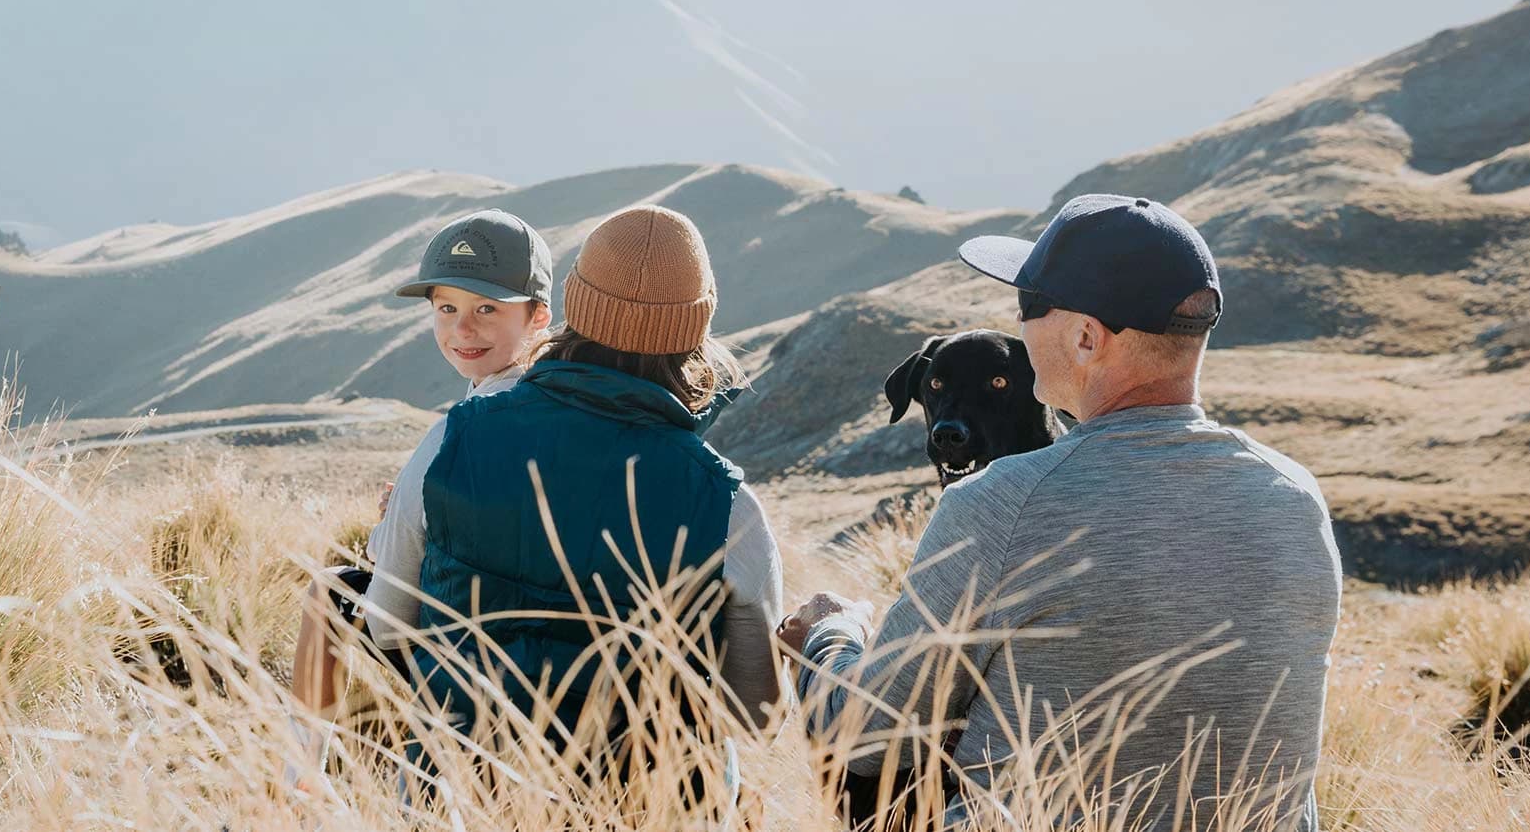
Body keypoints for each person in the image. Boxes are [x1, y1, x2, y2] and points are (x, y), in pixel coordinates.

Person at [781, 195, 1341, 830]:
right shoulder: (1296, 497)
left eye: (1028, 308)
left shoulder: (1005, 501)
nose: (1020, 328)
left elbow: (870, 737)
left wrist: (830, 635)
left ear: (1085, 337)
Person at [358, 205, 786, 772]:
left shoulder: (453, 439)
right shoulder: (728, 504)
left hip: (460, 795)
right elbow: (755, 712)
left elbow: (387, 624)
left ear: (568, 310)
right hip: (646, 808)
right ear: (696, 330)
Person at [291, 209, 558, 717]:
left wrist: (394, 525)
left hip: (474, 671)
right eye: (446, 308)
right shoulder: (568, 396)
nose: (461, 329)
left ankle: (300, 782)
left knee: (331, 591)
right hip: (570, 661)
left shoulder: (455, 432)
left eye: (486, 310)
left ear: (537, 315)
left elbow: (390, 619)